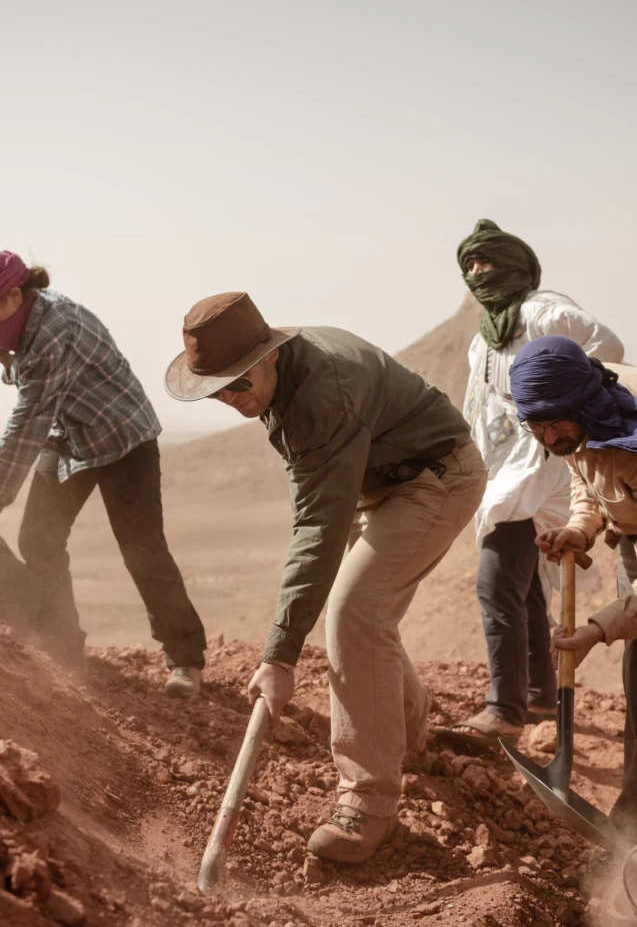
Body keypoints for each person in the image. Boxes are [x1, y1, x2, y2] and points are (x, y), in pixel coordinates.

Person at [165, 291, 487, 863]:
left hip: (437, 475)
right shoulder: (284, 378)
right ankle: (410, 731)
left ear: (269, 354)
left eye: (237, 382)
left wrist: (279, 656)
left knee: (355, 609)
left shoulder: (323, 394)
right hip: (380, 482)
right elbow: (316, 509)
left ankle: (369, 801)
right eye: (216, 390)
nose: (231, 398)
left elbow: (318, 525)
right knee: (364, 610)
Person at [437, 219, 623, 752]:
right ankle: (541, 695)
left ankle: (504, 711)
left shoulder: (545, 311)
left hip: (542, 464)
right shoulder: (483, 338)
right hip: (505, 469)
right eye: (469, 265)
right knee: (525, 585)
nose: (478, 272)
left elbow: (607, 347)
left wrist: (565, 410)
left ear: (516, 266)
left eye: (487, 261)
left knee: (496, 584)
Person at [0, 251, 206, 697]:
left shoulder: (52, 331)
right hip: (69, 434)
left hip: (122, 436)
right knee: (38, 538)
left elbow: (25, 428)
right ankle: (62, 650)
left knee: (142, 550)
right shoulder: (20, 318)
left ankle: (185, 660)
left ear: (14, 296)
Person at [508, 335, 637, 840]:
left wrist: (597, 631)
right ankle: (630, 834)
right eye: (535, 425)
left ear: (582, 402)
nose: (546, 435)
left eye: (555, 422)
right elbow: (587, 481)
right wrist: (579, 530)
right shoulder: (571, 426)